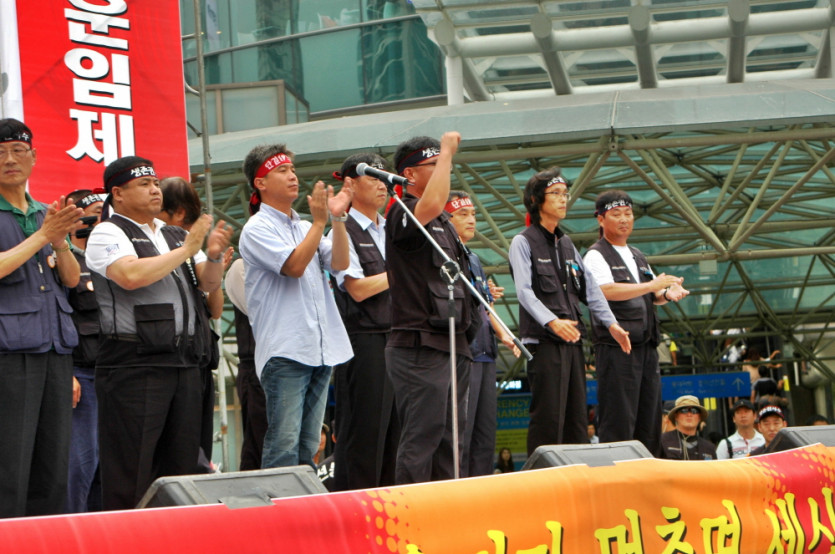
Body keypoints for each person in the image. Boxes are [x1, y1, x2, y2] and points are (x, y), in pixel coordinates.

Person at [86, 155, 232, 510]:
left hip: (185, 363)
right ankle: (127, 536)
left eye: (155, 183)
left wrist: (213, 257)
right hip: (135, 366)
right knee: (133, 469)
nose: (155, 190)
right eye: (144, 184)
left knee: (183, 467)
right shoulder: (109, 231)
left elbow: (207, 287)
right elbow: (130, 275)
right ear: (118, 194)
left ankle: (177, 534)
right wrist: (189, 250)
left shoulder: (174, 233)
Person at [238, 144, 353, 469]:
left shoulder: (303, 226)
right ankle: (278, 502)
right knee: (283, 444)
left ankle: (302, 500)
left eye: (292, 169)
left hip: (319, 347)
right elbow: (293, 266)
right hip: (286, 351)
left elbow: (340, 262)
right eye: (282, 171)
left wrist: (337, 219)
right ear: (260, 183)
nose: (292, 176)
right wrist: (319, 223)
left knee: (308, 445)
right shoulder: (257, 228)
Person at [508, 167, 630, 454]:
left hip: (573, 341)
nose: (564, 199)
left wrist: (611, 323)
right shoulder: (522, 242)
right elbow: (524, 292)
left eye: (565, 193)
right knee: (548, 417)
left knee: (576, 418)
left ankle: (576, 473)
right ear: (536, 200)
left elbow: (590, 288)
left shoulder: (566, 244)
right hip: (543, 343)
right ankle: (543, 476)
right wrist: (552, 321)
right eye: (556, 194)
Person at [0, 118, 83, 517]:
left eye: (18, 151)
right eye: (0, 153)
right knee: (10, 462)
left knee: (53, 464)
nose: (9, 160)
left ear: (33, 157)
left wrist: (59, 242)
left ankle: (44, 539)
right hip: (9, 352)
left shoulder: (43, 213)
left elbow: (71, 279)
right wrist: (42, 236)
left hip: (54, 350)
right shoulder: (40, 223)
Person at [385, 132, 477, 484]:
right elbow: (435, 201)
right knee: (422, 437)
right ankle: (413, 510)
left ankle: (449, 507)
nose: (443, 168)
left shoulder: (443, 223)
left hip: (453, 341)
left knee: (451, 441)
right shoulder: (402, 210)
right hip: (419, 345)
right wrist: (448, 152)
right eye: (434, 164)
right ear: (409, 174)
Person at [583, 190, 689, 455]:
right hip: (617, 347)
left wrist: (668, 293)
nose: (624, 219)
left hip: (647, 346)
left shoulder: (637, 255)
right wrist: (651, 286)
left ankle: (648, 469)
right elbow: (604, 291)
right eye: (616, 214)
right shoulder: (596, 255)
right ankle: (618, 470)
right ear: (600, 219)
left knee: (649, 416)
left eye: (628, 214)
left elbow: (653, 294)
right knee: (619, 417)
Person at [328, 153, 399, 490]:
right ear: (351, 184)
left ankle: (392, 511)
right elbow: (357, 289)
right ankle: (359, 512)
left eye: (385, 178)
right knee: (365, 434)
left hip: (399, 339)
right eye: (373, 177)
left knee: (396, 435)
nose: (383, 185)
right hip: (365, 342)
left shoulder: (391, 229)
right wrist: (402, 273)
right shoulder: (342, 230)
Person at [159, 176, 234, 470]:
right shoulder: (157, 245)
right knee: (173, 448)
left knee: (196, 444)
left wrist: (215, 267)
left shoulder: (191, 246)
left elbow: (215, 310)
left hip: (199, 358)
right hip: (169, 359)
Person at [446, 190, 520, 477]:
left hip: (486, 351)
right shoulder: (445, 257)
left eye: (474, 214)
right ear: (446, 219)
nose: (471, 220)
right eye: (463, 214)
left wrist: (504, 334)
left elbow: (484, 307)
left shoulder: (473, 258)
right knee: (462, 433)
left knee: (485, 432)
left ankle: (483, 486)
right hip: (464, 352)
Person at [64, 188, 106, 513]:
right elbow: (57, 319)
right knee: (81, 463)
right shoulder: (63, 263)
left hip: (114, 375)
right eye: (93, 213)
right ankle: (70, 529)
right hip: (81, 375)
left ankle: (99, 532)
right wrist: (65, 373)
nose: (100, 220)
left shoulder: (110, 261)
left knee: (108, 466)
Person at [224, 257, 267, 471]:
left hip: (290, 362)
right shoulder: (241, 268)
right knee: (261, 444)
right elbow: (262, 313)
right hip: (256, 367)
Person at [658, 395, 717, 460]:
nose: (689, 414)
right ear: (676, 416)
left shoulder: (709, 448)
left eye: (694, 410)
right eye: (684, 410)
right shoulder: (662, 441)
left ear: (699, 417)